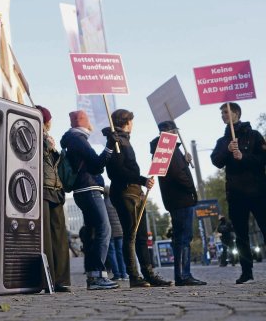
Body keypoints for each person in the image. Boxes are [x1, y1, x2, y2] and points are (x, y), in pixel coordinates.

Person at [105, 109, 172, 288]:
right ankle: (136, 275)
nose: (133, 125)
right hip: (127, 193)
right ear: (127, 122)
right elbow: (118, 172)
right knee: (132, 235)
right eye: (132, 122)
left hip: (132, 191)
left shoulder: (121, 140)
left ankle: (147, 274)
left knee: (140, 235)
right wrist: (141, 179)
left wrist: (141, 181)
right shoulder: (117, 141)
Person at [60, 110, 119, 290]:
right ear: (83, 121)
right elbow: (97, 164)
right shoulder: (78, 140)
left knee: (95, 234)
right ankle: (98, 276)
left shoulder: (74, 140)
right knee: (104, 229)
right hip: (89, 189)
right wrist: (110, 144)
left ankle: (95, 277)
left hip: (84, 191)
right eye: (89, 119)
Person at [210, 102, 266, 284]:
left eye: (226, 112)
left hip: (258, 193)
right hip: (236, 195)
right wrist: (227, 152)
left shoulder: (254, 136)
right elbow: (216, 161)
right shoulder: (223, 141)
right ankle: (246, 272)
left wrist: (244, 157)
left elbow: (262, 159)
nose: (223, 116)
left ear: (236, 113)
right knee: (240, 236)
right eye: (221, 113)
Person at [150, 120, 206, 286]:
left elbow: (177, 169)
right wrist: (191, 188)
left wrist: (185, 162)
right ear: (171, 132)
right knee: (183, 238)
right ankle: (183, 275)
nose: (176, 133)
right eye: (174, 131)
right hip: (181, 200)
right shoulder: (168, 149)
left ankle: (182, 274)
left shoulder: (164, 149)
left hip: (176, 200)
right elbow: (177, 174)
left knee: (181, 239)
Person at [36, 105, 71, 293]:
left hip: (56, 189)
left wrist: (53, 149)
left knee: (59, 237)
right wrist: (44, 147)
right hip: (42, 188)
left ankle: (61, 280)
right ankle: (46, 279)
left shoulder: (47, 138)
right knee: (46, 238)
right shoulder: (32, 135)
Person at [104, 186, 127, 281]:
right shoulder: (116, 201)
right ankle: (124, 274)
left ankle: (117, 274)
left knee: (112, 253)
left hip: (110, 232)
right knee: (121, 253)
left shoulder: (104, 203)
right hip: (120, 230)